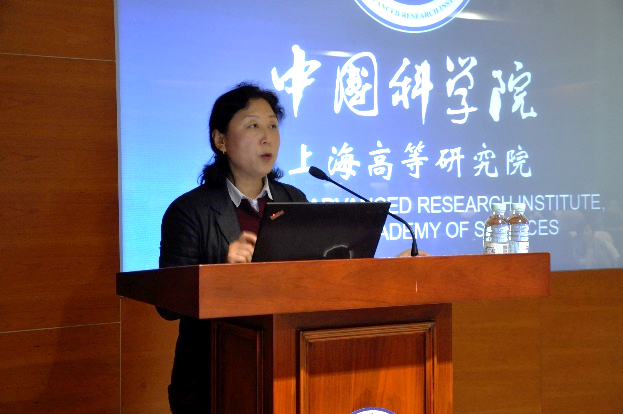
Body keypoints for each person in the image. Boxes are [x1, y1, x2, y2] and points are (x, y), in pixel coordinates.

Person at [158, 82, 307, 413]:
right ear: (221, 140)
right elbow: (167, 306)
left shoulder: (294, 200)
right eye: (253, 126)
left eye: (272, 126)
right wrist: (221, 270)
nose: (267, 137)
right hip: (213, 380)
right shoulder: (189, 211)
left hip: (287, 371)